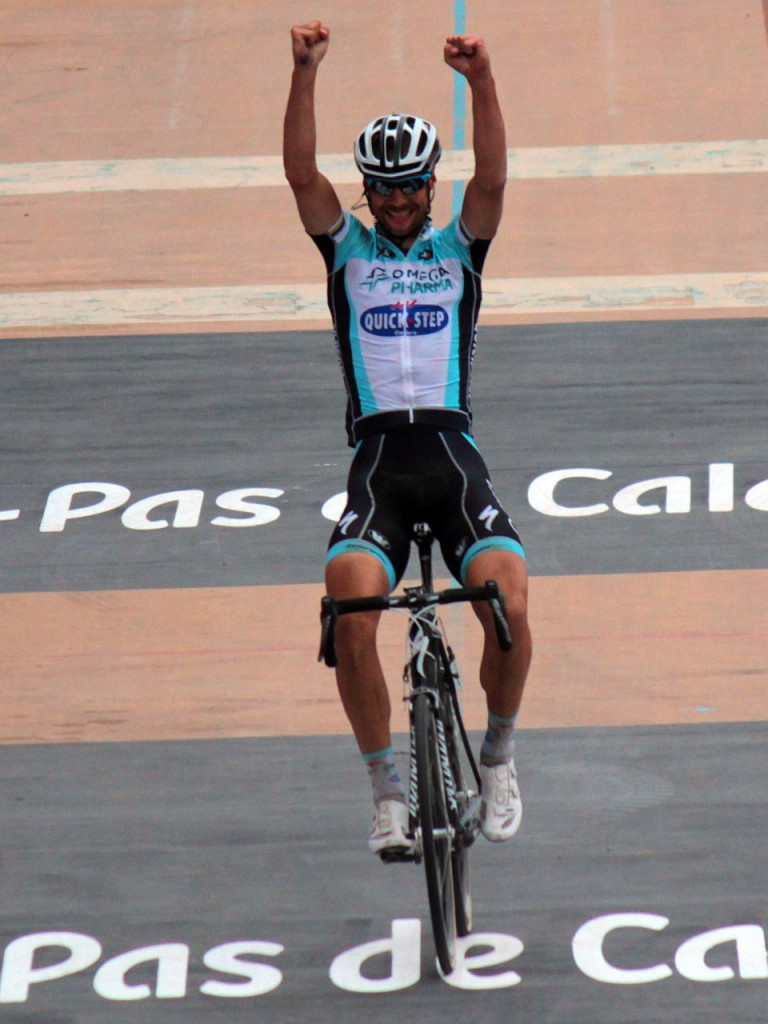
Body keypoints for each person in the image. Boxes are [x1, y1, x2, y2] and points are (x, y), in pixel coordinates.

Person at [284, 21, 532, 856]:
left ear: (430, 185)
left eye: (409, 189)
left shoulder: (459, 249)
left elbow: (493, 174)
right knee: (350, 611)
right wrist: (304, 72)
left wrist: (484, 80)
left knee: (511, 602)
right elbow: (297, 174)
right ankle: (387, 792)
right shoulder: (345, 249)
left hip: (454, 458)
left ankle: (496, 758)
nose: (394, 204)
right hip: (381, 465)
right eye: (381, 190)